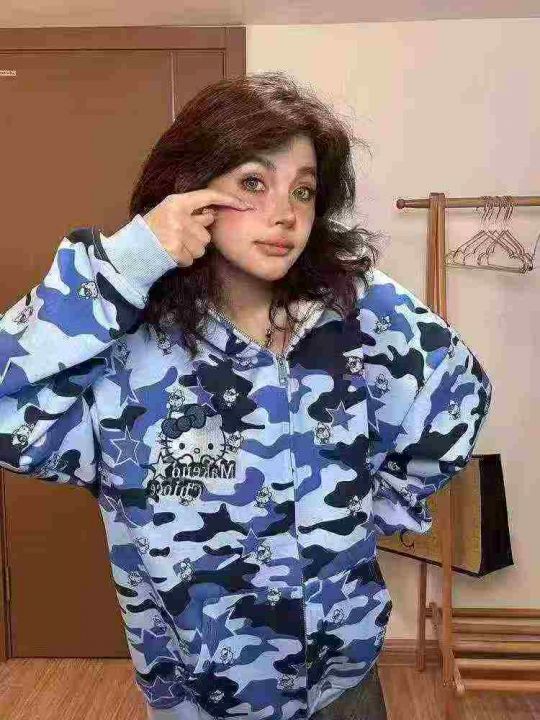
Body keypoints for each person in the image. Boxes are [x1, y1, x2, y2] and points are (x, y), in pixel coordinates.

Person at [0, 71, 492, 720]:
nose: (285, 214)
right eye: (253, 183)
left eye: (303, 191)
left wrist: (366, 513)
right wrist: (130, 259)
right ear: (191, 191)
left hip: (343, 686)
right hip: (201, 701)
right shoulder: (126, 355)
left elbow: (455, 391)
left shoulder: (353, 320)